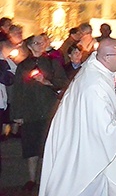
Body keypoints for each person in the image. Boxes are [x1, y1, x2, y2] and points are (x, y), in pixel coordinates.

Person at [39, 39, 116, 195]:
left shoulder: (102, 69)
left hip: (90, 139)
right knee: (88, 186)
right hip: (86, 148)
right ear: (106, 57)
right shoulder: (94, 84)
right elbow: (102, 130)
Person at [12, 35, 69, 191]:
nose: (41, 45)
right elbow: (18, 90)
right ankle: (31, 179)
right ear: (30, 46)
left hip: (49, 109)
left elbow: (63, 82)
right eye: (37, 43)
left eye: (42, 43)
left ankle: (49, 177)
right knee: (31, 146)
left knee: (48, 145)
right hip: (31, 110)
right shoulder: (24, 65)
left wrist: (46, 82)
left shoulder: (52, 63)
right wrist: (17, 114)